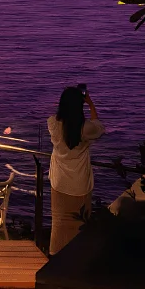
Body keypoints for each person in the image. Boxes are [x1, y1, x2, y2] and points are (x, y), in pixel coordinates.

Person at [48, 86, 105, 254]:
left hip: (59, 182)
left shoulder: (53, 123)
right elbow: (99, 127)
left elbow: (61, 120)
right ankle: (77, 259)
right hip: (79, 183)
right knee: (81, 223)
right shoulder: (85, 129)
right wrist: (90, 104)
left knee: (59, 223)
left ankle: (55, 258)